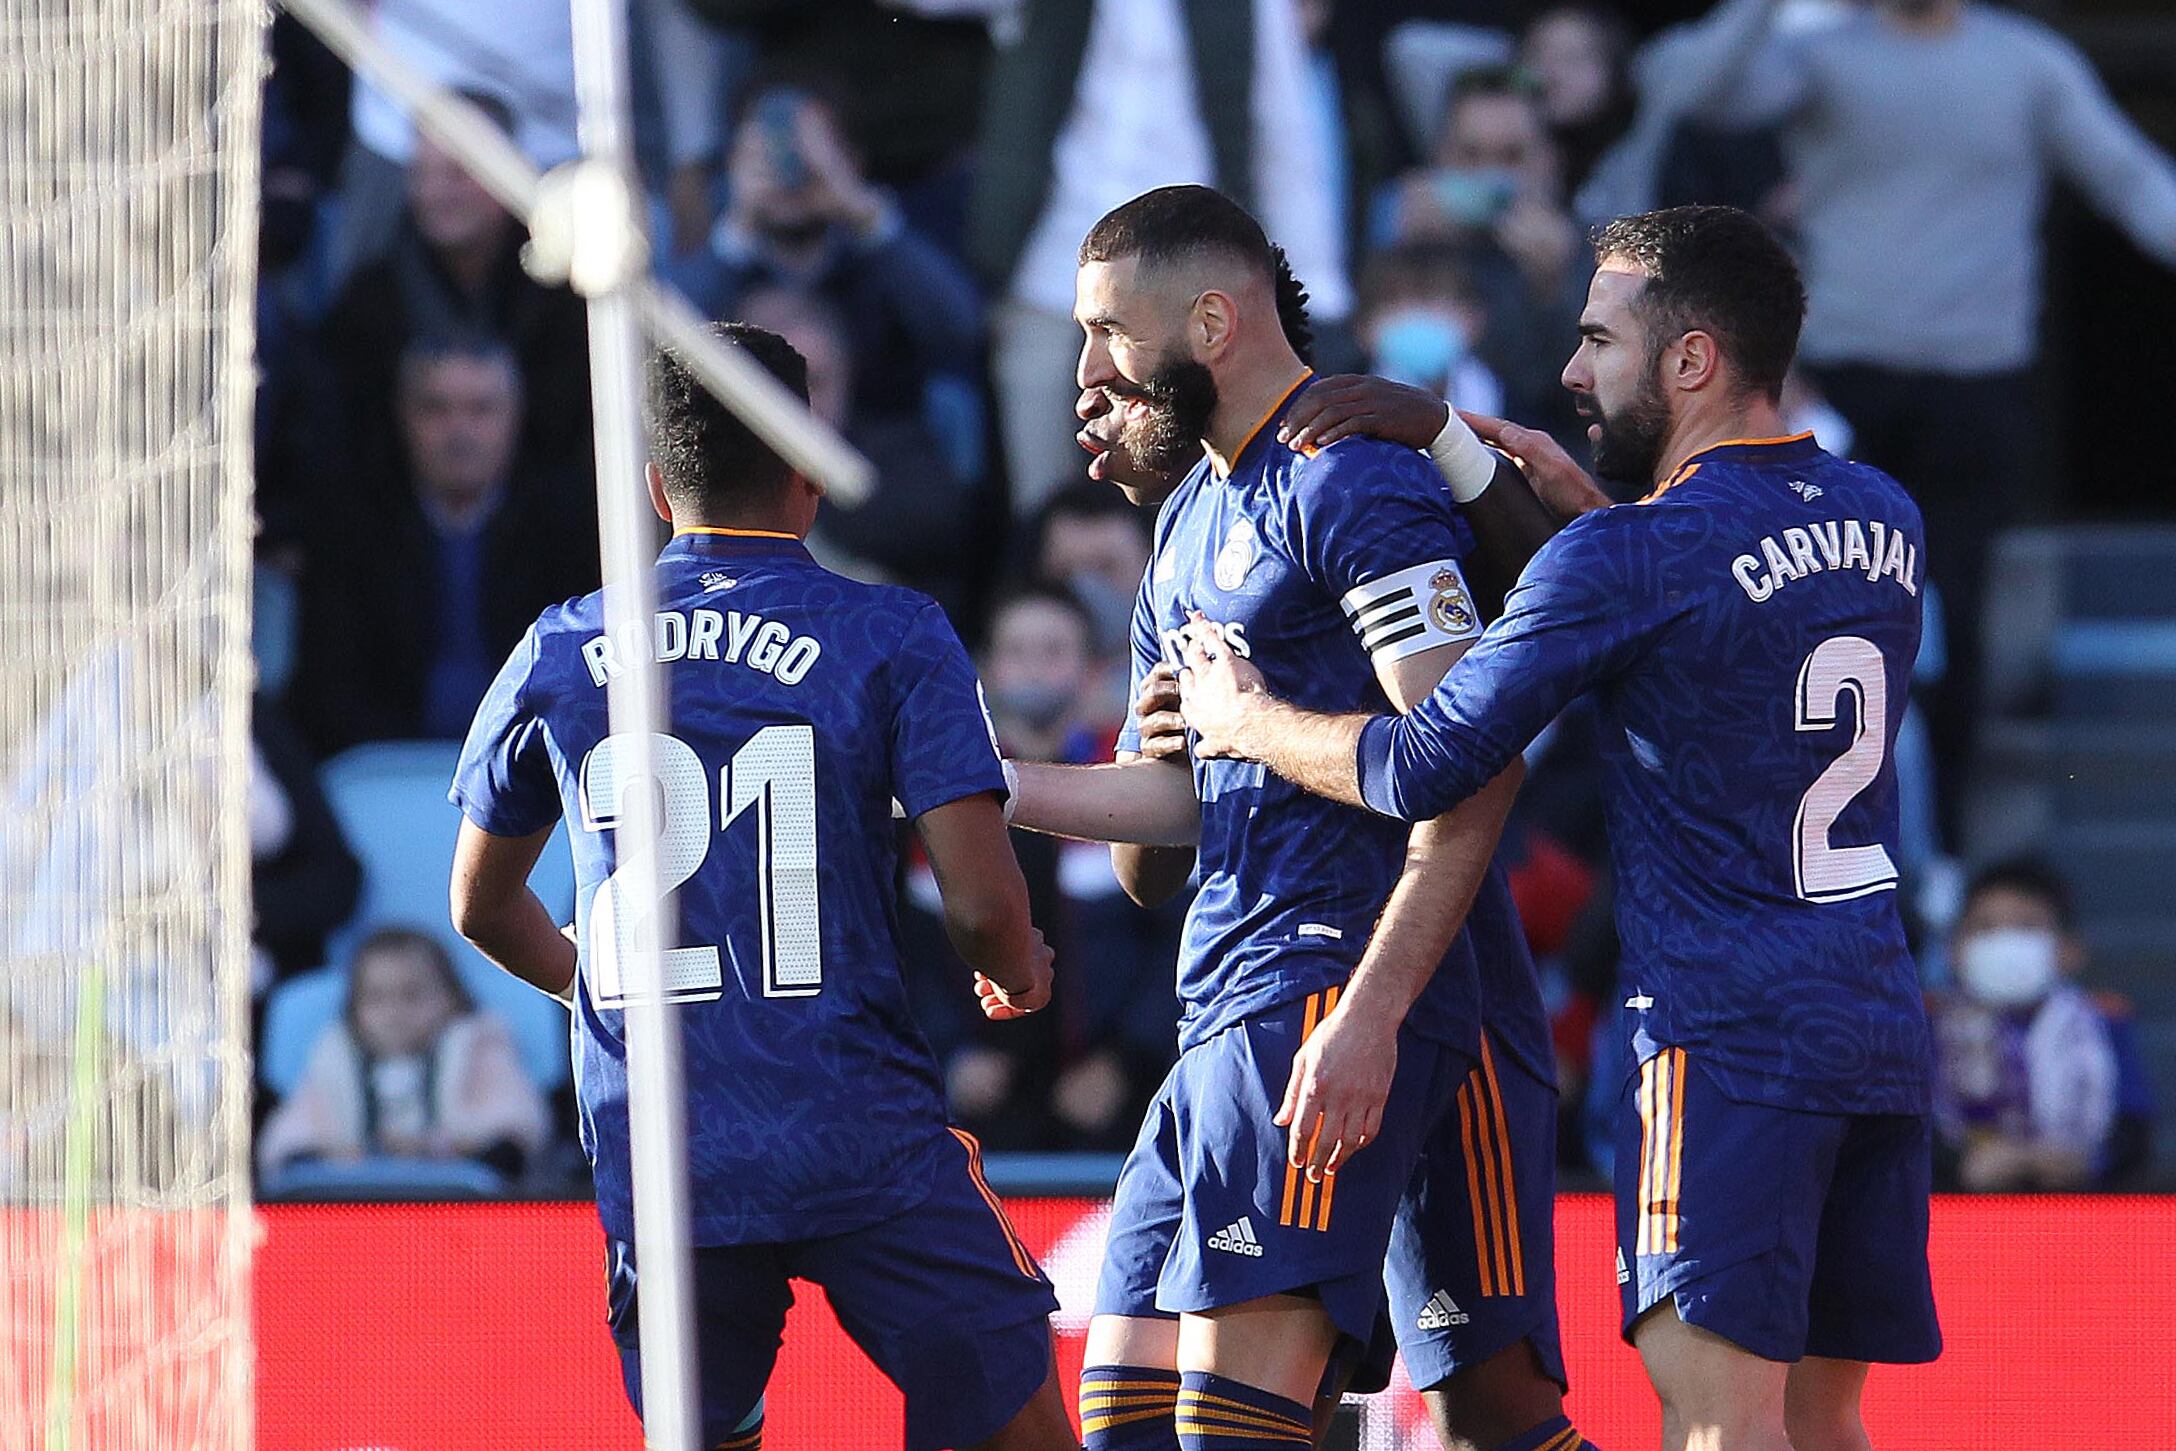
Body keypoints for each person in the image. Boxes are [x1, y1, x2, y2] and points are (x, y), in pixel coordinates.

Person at [1180, 206, 1941, 1451]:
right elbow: (1711, 611)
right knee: (1826, 1420)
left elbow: (1425, 759)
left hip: (1723, 1039)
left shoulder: (1631, 556)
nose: (1574, 372)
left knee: (1719, 1425)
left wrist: (1245, 713)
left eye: (1599, 341)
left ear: (1689, 360)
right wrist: (1490, 460)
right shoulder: (1885, 515)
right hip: (1871, 1023)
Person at [1008, 184, 1595, 1451]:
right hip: (1227, 991)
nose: (1087, 371)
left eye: (1107, 329)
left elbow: (1470, 757)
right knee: (1127, 1418)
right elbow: (1164, 825)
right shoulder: (1181, 522)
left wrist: (1370, 1008)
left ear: (1211, 320)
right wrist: (984, 784)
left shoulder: (1350, 480)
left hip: (1334, 982)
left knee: (1297, 1420)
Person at [446, 323, 1074, 1451]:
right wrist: (1017, 969)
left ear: (653, 484)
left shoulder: (559, 645)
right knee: (1015, 1416)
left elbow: (481, 906)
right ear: (811, 472)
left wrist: (613, 988)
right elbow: (982, 905)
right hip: (855, 1125)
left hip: (666, 1142)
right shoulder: (889, 631)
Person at [1615, 0, 2176, 828]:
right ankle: (1804, 829)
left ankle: (1942, 852)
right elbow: (1690, 91)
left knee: (1957, 612)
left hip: (1975, 377)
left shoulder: (2027, 63)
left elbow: (2131, 179)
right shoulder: (1822, 53)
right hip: (1844, 372)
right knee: (1811, 602)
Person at [291, 336, 598, 755]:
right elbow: (328, 693)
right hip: (385, 771)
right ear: (402, 415)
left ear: (516, 417)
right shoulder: (352, 529)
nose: (459, 430)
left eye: (481, 410)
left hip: (534, 768)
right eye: (436, 409)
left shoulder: (570, 524)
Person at [669, 82, 983, 422]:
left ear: (852, 161)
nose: (789, 169)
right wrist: (738, 227)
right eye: (768, 151)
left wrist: (865, 214)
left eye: (808, 151)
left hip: (880, 457)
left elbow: (961, 328)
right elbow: (667, 348)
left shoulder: (878, 258)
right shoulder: (724, 266)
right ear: (733, 164)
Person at [257, 928, 549, 1183]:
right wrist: (339, 1156)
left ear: (452, 998)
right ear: (353, 1009)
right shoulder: (333, 1061)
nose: (394, 1013)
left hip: (461, 1211)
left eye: (412, 996)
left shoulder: (478, 1050)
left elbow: (517, 1127)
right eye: (376, 998)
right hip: (355, 1212)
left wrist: (447, 1147)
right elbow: (288, 1143)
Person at [1931, 858, 2143, 1191]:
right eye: (1984, 928)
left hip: (2080, 1208)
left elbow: (2132, 1129)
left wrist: (2086, 1160)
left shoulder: (2103, 1024)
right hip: (1955, 1212)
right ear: (1954, 950)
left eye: (2026, 926)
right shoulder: (1927, 1026)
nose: (2004, 943)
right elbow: (1903, 1131)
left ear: (2070, 950)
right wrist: (1960, 1163)